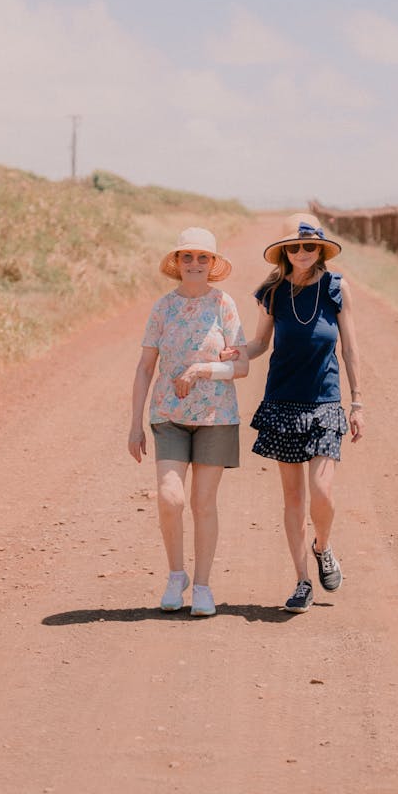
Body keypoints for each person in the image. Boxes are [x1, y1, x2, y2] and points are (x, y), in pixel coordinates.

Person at [244, 212, 363, 613]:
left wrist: (358, 401)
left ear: (320, 248)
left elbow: (349, 348)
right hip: (282, 402)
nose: (301, 253)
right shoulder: (273, 292)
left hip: (326, 402)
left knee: (322, 493)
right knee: (293, 498)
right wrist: (235, 351)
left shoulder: (336, 287)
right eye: (293, 247)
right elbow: (260, 343)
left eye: (308, 246)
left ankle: (322, 546)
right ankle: (301, 581)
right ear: (283, 252)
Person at [128, 227, 248, 616]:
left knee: (203, 503)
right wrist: (134, 423)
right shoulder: (163, 308)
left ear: (212, 265)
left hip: (217, 417)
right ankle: (175, 575)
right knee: (170, 498)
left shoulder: (224, 304)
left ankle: (202, 586)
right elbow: (146, 367)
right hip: (169, 416)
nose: (194, 264)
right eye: (187, 257)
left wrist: (202, 369)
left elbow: (242, 365)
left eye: (202, 258)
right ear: (177, 263)